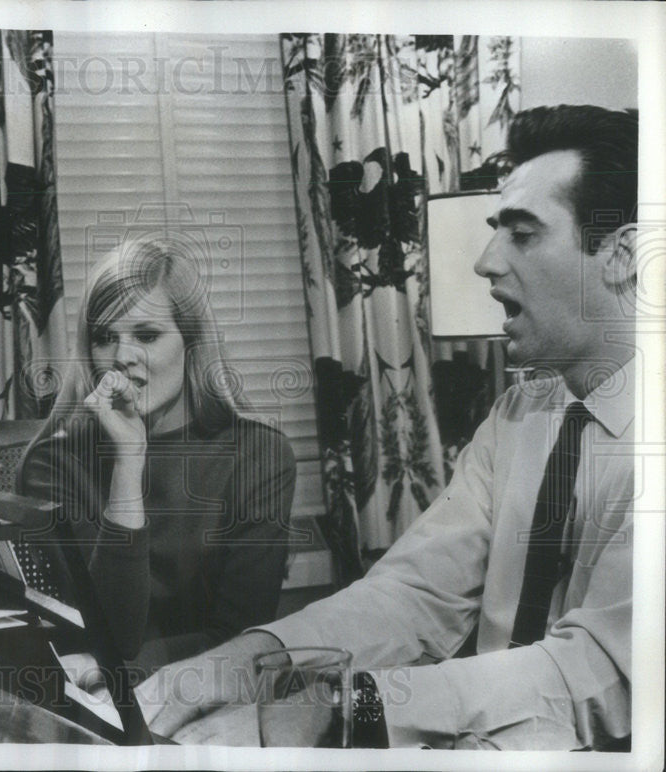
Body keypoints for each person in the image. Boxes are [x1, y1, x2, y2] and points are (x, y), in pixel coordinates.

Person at [137, 104, 638, 750]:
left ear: (623, 254)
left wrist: (350, 706)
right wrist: (238, 663)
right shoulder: (517, 417)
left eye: (523, 233)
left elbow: (595, 673)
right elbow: (413, 592)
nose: (485, 262)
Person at [16, 238, 296, 676]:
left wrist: (141, 672)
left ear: (192, 343)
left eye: (146, 335)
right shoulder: (54, 464)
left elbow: (242, 636)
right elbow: (113, 637)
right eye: (105, 338)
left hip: (212, 693)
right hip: (95, 702)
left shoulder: (259, 454)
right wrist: (128, 466)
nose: (122, 358)